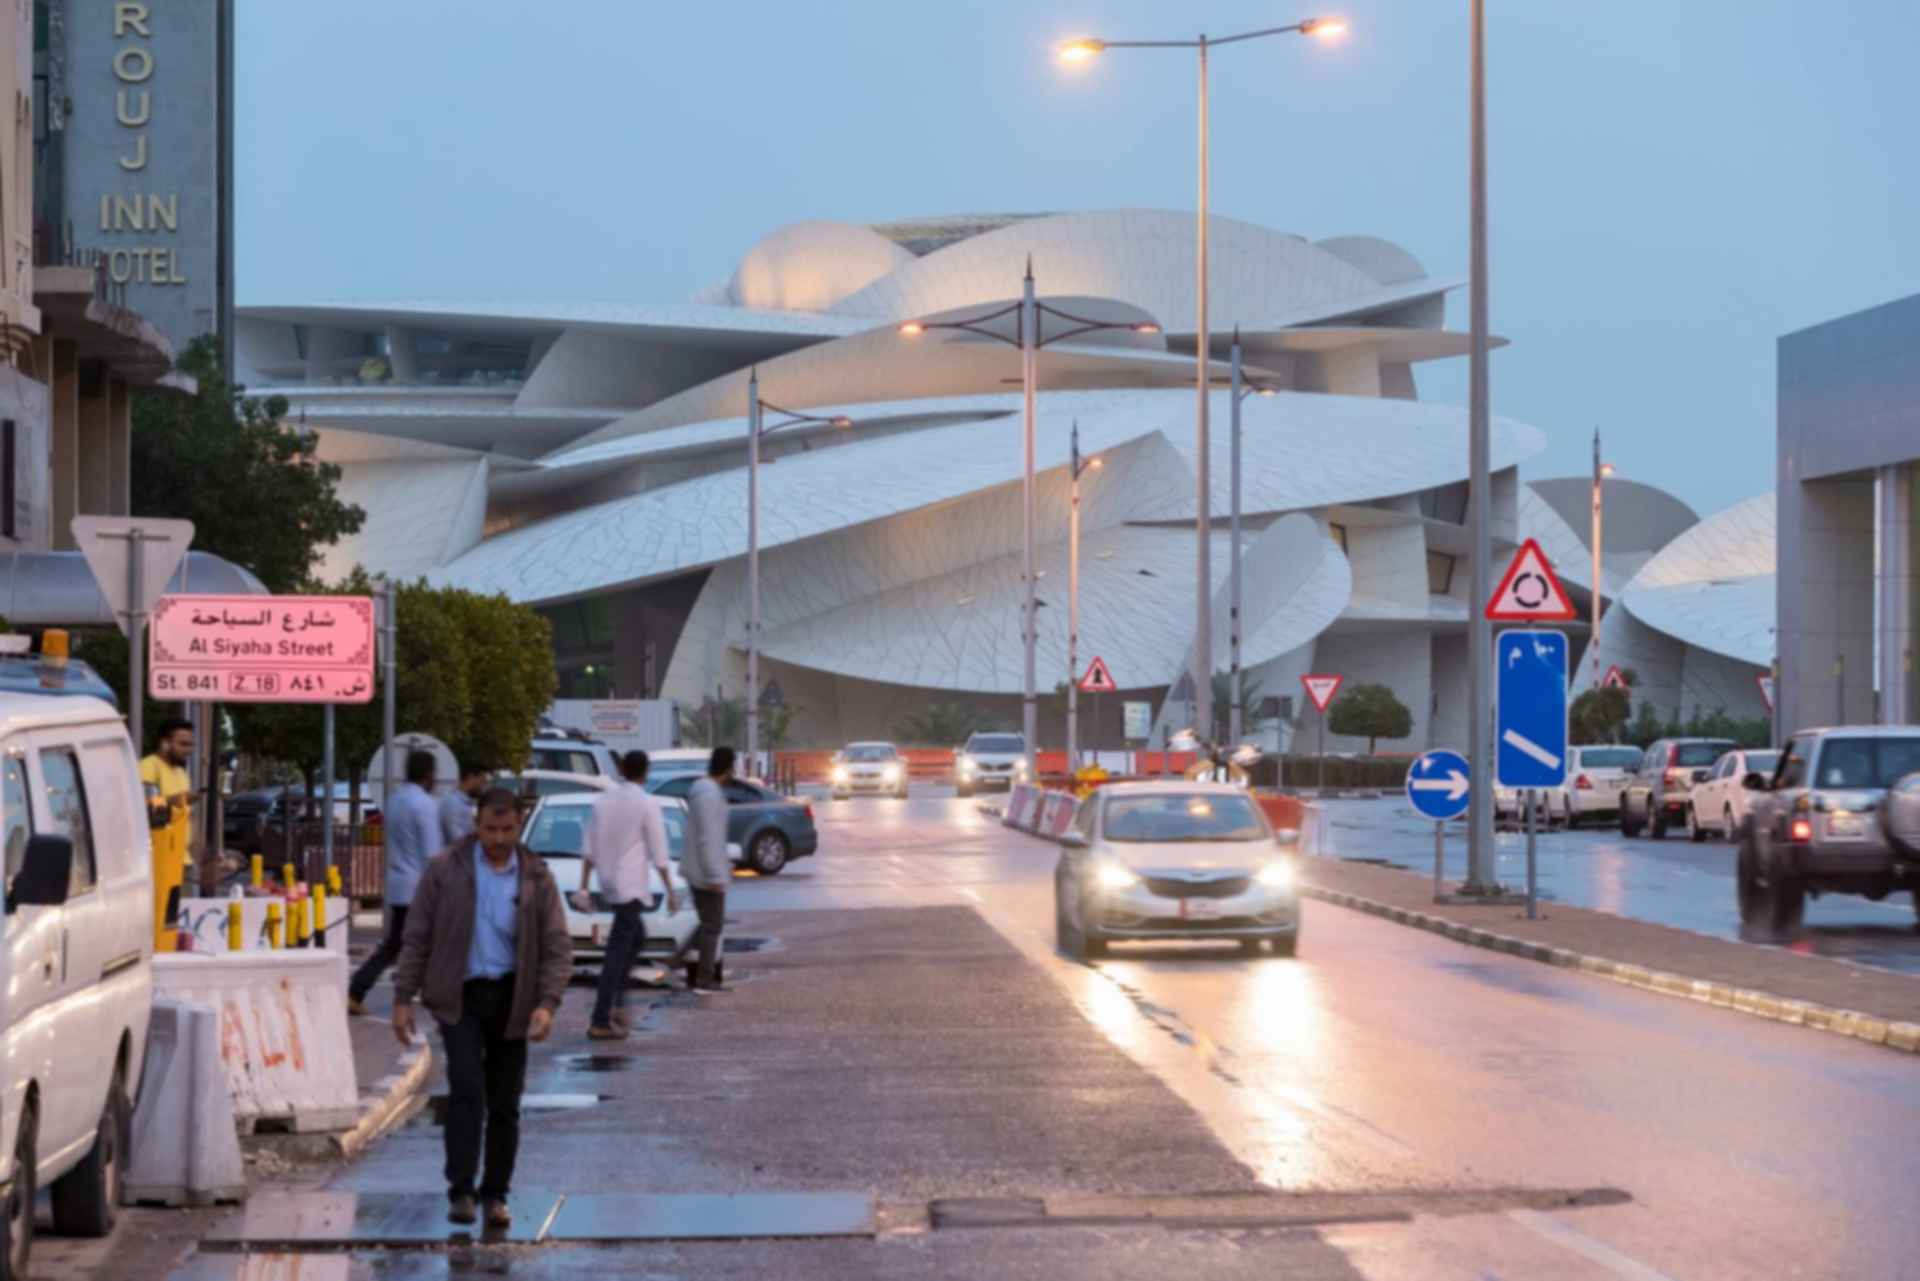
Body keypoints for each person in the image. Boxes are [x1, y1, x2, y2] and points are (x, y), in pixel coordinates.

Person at [393, 787, 571, 1229]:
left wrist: (547, 1004)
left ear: (519, 824)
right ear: (477, 825)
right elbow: (416, 936)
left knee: (506, 1103)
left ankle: (496, 1194)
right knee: (467, 1091)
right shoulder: (444, 871)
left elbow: (556, 945)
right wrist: (402, 997)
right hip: (460, 999)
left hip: (514, 999)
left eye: (507, 829)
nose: (498, 838)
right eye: (490, 829)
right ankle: (461, 1190)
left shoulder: (535, 877)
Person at [580, 750, 677, 1040]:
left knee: (636, 938)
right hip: (631, 885)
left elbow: (588, 847)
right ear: (645, 772)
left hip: (609, 881)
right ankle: (601, 1016)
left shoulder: (603, 801)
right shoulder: (646, 803)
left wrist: (585, 885)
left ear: (622, 769)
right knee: (618, 951)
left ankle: (618, 1000)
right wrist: (670, 890)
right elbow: (659, 853)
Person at [350, 751, 441, 1017]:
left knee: (403, 943)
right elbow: (432, 853)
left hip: (398, 883)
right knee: (407, 944)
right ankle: (358, 989)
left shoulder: (395, 801)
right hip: (419, 887)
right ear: (429, 775)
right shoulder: (424, 805)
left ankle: (362, 989)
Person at [682, 747, 735, 994]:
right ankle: (705, 978)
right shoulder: (709, 796)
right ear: (729, 767)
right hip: (705, 873)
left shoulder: (703, 792)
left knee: (706, 924)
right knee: (712, 926)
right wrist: (716, 875)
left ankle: (677, 959)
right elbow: (709, 838)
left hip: (699, 870)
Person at [140, 719, 195, 951]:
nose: (188, 750)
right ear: (165, 743)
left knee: (173, 923)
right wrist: (179, 800)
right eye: (183, 743)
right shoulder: (149, 766)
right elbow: (145, 805)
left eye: (191, 744)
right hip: (160, 860)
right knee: (160, 921)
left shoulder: (181, 773)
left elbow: (186, 817)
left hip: (181, 858)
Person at [439, 764, 489, 849]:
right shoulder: (453, 803)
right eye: (482, 781)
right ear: (471, 778)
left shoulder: (465, 803)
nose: (483, 787)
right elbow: (457, 840)